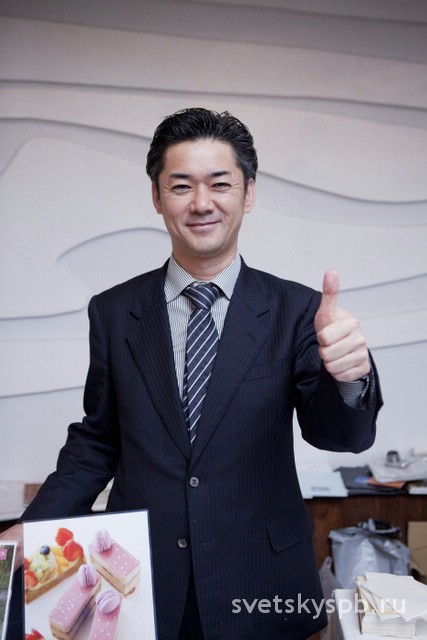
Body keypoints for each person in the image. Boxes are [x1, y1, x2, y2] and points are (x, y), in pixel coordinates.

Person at [2, 108, 382, 639]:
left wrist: (349, 377)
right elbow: (98, 439)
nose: (201, 203)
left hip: (261, 579)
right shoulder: (114, 311)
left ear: (248, 194)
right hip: (145, 582)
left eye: (220, 184)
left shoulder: (297, 310)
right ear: (157, 197)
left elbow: (339, 436)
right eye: (181, 185)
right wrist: (35, 527)